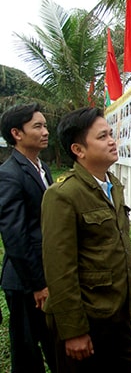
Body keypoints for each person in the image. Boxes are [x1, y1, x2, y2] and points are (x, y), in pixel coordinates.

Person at [41, 107, 131, 373]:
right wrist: (73, 331)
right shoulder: (63, 195)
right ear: (79, 149)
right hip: (88, 318)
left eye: (111, 134)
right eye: (102, 136)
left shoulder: (112, 184)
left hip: (117, 311)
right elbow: (59, 269)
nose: (112, 141)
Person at [0, 103, 56, 372]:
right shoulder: (9, 174)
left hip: (45, 272)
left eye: (45, 125)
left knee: (53, 341)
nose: (45, 131)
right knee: (26, 352)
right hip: (25, 282)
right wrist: (37, 284)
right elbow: (15, 235)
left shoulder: (41, 167)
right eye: (38, 126)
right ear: (16, 133)